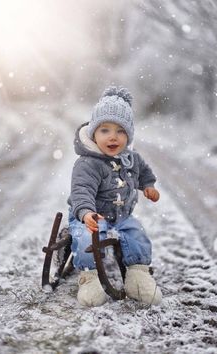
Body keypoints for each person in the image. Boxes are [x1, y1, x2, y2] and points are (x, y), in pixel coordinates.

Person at [67, 86, 162, 307]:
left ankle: (138, 274)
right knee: (85, 237)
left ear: (128, 135)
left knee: (137, 234)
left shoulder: (131, 158)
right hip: (91, 216)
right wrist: (86, 213)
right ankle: (89, 277)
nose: (113, 137)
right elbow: (82, 190)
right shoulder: (87, 164)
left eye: (120, 131)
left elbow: (144, 172)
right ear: (93, 133)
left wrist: (148, 186)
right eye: (105, 130)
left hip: (121, 216)